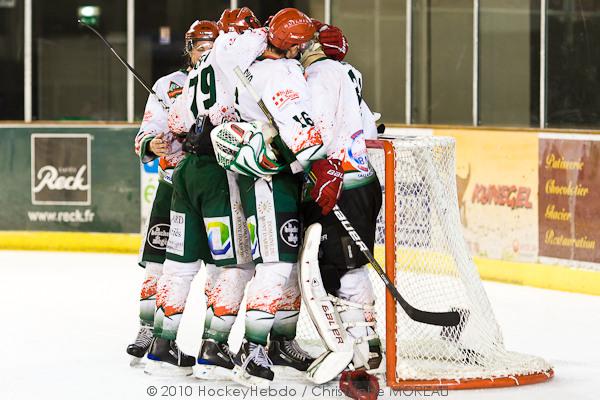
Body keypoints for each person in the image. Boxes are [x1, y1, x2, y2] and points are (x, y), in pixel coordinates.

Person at [210, 8, 342, 387]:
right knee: (277, 265)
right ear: (296, 45)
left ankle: (280, 342)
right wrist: (321, 163)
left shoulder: (250, 65)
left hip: (271, 174)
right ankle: (252, 349)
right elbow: (300, 128)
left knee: (288, 268)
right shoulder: (283, 74)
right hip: (272, 178)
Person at [145, 9, 263, 377]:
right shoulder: (238, 61)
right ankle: (213, 347)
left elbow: (178, 123)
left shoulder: (196, 74)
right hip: (218, 175)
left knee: (178, 266)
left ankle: (162, 345)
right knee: (237, 265)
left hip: (185, 176)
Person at [126, 19, 217, 367]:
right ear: (189, 49)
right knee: (158, 266)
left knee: (225, 269)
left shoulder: (227, 82)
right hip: (172, 186)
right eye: (199, 47)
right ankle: (149, 329)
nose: (204, 53)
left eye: (211, 47)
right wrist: (155, 142)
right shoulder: (168, 85)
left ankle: (216, 340)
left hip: (214, 188)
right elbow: (145, 135)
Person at [300, 20, 383, 372]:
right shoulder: (350, 72)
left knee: (346, 269)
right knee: (345, 267)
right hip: (360, 180)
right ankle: (368, 341)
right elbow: (371, 126)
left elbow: (316, 130)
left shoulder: (320, 75)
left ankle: (362, 351)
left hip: (341, 182)